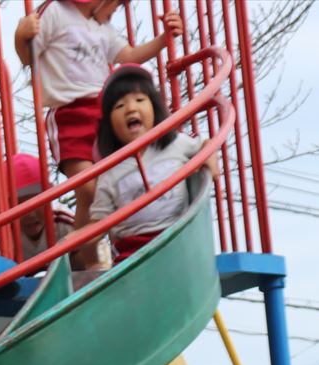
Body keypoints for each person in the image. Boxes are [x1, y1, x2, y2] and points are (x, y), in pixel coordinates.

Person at [14, 0, 182, 229]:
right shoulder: (56, 11)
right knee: (88, 190)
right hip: (69, 115)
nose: (114, 12)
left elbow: (130, 55)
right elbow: (28, 57)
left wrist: (164, 39)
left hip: (104, 114)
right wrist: (20, 37)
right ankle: (86, 248)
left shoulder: (103, 29)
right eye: (114, 5)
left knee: (116, 186)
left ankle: (114, 241)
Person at [75, 64, 215, 269]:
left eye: (140, 100)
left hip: (177, 239)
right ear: (109, 125)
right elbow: (99, 222)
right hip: (133, 255)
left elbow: (205, 145)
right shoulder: (111, 172)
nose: (131, 108)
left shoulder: (175, 145)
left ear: (155, 109)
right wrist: (78, 239)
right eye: (119, 106)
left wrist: (210, 160)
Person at [9, 152, 75, 261]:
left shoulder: (62, 221)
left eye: (37, 203)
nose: (30, 214)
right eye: (20, 206)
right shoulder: (7, 237)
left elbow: (89, 255)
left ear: (48, 200)